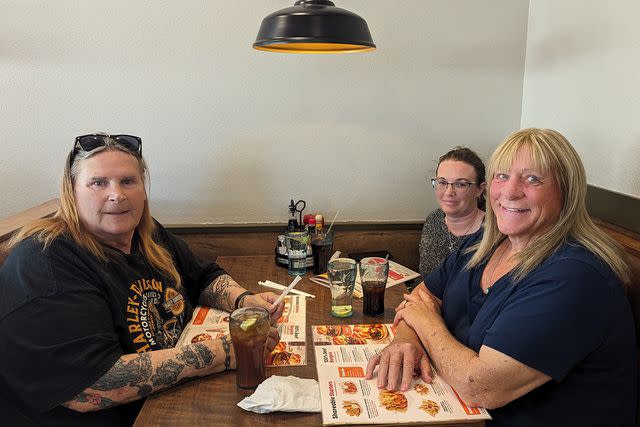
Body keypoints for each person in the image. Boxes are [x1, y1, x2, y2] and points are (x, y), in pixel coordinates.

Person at [0, 134, 285, 426]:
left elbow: (202, 276)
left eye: (128, 181)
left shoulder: (145, 234)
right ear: (71, 192)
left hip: (168, 397)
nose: (117, 195)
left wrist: (244, 299)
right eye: (98, 183)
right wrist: (228, 351)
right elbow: (92, 385)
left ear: (143, 189)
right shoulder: (46, 260)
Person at [366, 128, 636, 426]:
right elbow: (420, 298)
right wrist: (406, 340)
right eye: (502, 176)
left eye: (532, 178)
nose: (509, 192)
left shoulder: (576, 276)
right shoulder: (485, 242)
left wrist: (425, 322)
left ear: (567, 191)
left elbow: (479, 385)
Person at [417, 147, 486, 284]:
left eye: (460, 184)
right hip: (419, 300)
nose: (449, 192)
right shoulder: (434, 219)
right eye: (442, 182)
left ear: (479, 189)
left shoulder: (492, 230)